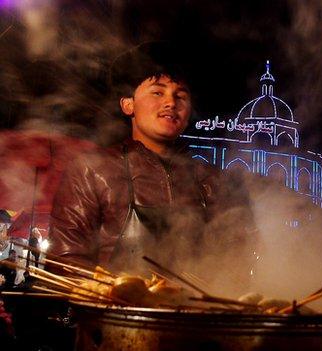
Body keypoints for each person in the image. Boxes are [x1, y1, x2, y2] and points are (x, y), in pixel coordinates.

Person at [48, 42, 255, 275]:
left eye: (181, 96)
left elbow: (240, 260)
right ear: (128, 105)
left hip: (196, 310)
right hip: (112, 308)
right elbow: (66, 261)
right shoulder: (92, 169)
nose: (171, 103)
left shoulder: (214, 180)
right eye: (158, 92)